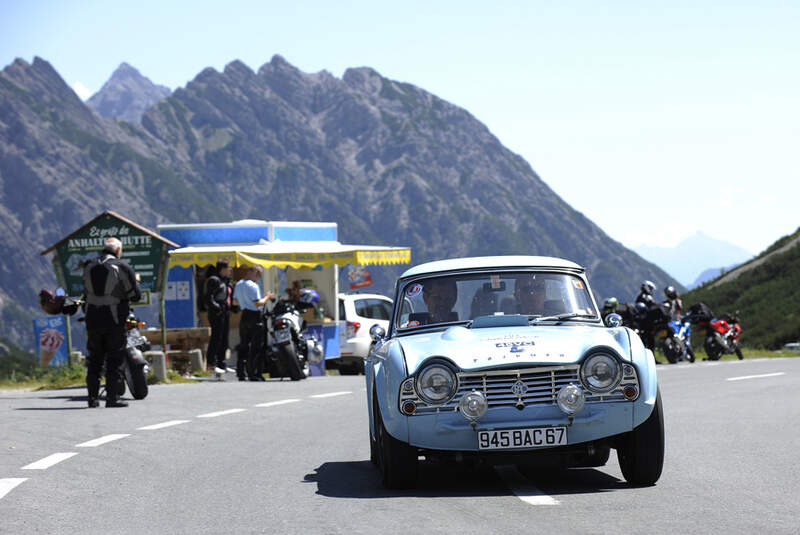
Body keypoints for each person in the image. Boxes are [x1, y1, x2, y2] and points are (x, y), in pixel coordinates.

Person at [82, 237, 141, 408]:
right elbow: (135, 295)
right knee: (114, 359)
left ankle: (92, 398)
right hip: (114, 319)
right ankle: (112, 398)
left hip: (92, 319)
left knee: (95, 359)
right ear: (117, 251)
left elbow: (85, 291)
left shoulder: (89, 266)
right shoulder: (121, 267)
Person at [232, 265, 274, 381]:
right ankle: (254, 373)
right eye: (259, 274)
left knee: (244, 345)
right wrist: (267, 297)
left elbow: (235, 302)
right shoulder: (253, 286)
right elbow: (258, 303)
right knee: (256, 346)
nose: (258, 277)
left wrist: (244, 301)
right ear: (254, 273)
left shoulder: (239, 284)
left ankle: (241, 372)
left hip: (244, 315)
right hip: (255, 316)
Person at [205, 259, 235, 375]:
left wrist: (232, 307)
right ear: (222, 269)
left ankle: (222, 363)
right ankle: (212, 363)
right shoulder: (214, 280)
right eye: (228, 267)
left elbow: (228, 296)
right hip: (216, 312)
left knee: (224, 339)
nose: (230, 270)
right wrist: (217, 308)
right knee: (216, 338)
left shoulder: (226, 281)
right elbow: (208, 297)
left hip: (225, 312)